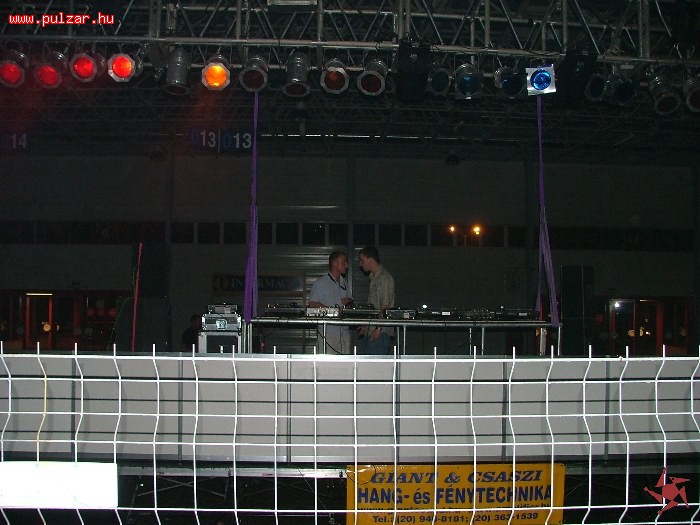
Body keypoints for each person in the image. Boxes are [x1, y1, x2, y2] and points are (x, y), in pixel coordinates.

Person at [308, 251, 353, 354]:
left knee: (345, 362)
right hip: (327, 332)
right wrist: (332, 311)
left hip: (344, 333)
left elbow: (350, 301)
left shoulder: (345, 283)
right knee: (326, 362)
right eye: (344, 262)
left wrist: (349, 301)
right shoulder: (320, 283)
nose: (346, 265)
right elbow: (312, 304)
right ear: (335, 263)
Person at [357, 246, 395, 355]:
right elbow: (374, 307)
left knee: (376, 364)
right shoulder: (374, 278)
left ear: (370, 260)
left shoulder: (384, 279)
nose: (360, 264)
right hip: (371, 331)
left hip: (379, 333)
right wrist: (366, 325)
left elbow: (385, 307)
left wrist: (379, 328)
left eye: (362, 260)